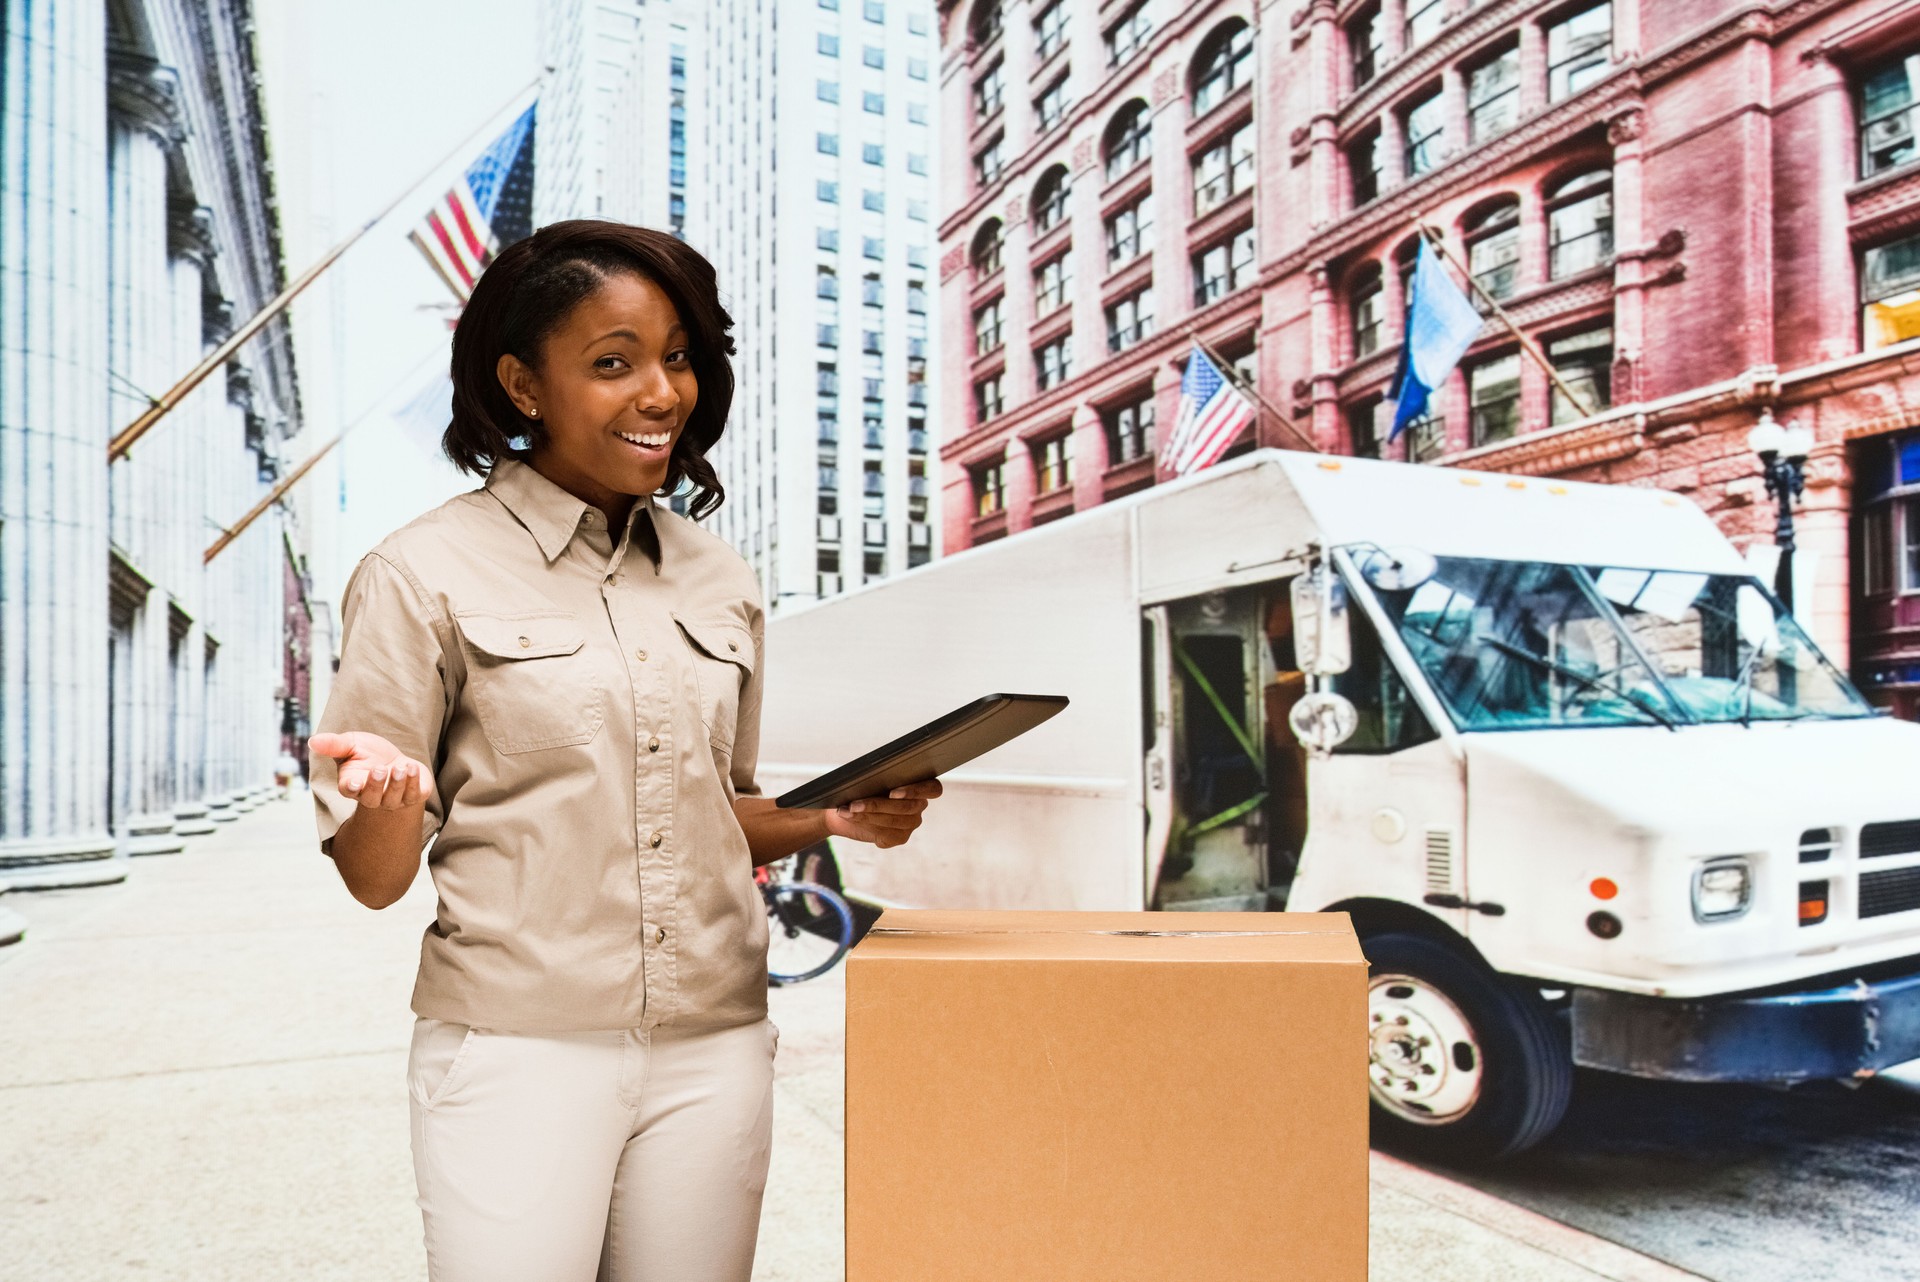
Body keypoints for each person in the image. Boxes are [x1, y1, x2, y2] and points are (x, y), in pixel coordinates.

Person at [307, 219, 941, 1282]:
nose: (662, 393)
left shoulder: (718, 577)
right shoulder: (420, 572)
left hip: (715, 1046)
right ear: (521, 383)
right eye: (614, 362)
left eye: (678, 357)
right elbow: (376, 882)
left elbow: (716, 807)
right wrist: (385, 798)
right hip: (519, 1053)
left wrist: (832, 815)